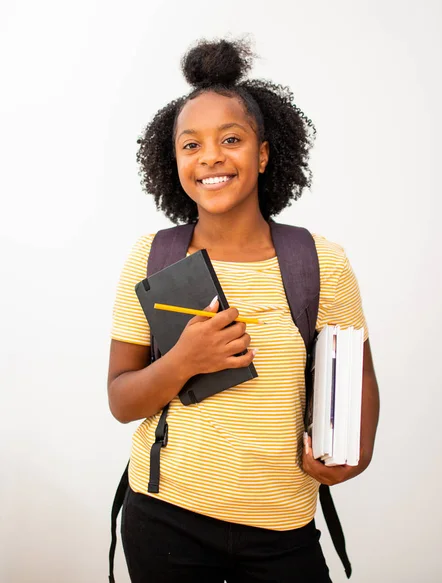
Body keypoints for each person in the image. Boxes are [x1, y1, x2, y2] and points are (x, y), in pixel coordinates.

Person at [108, 37, 380, 583]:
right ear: (176, 160)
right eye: (191, 145)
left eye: (230, 139)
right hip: (166, 521)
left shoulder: (320, 261)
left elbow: (360, 379)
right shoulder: (153, 257)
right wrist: (186, 359)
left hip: (282, 525)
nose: (210, 156)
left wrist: (355, 454)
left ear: (262, 153)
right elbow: (121, 399)